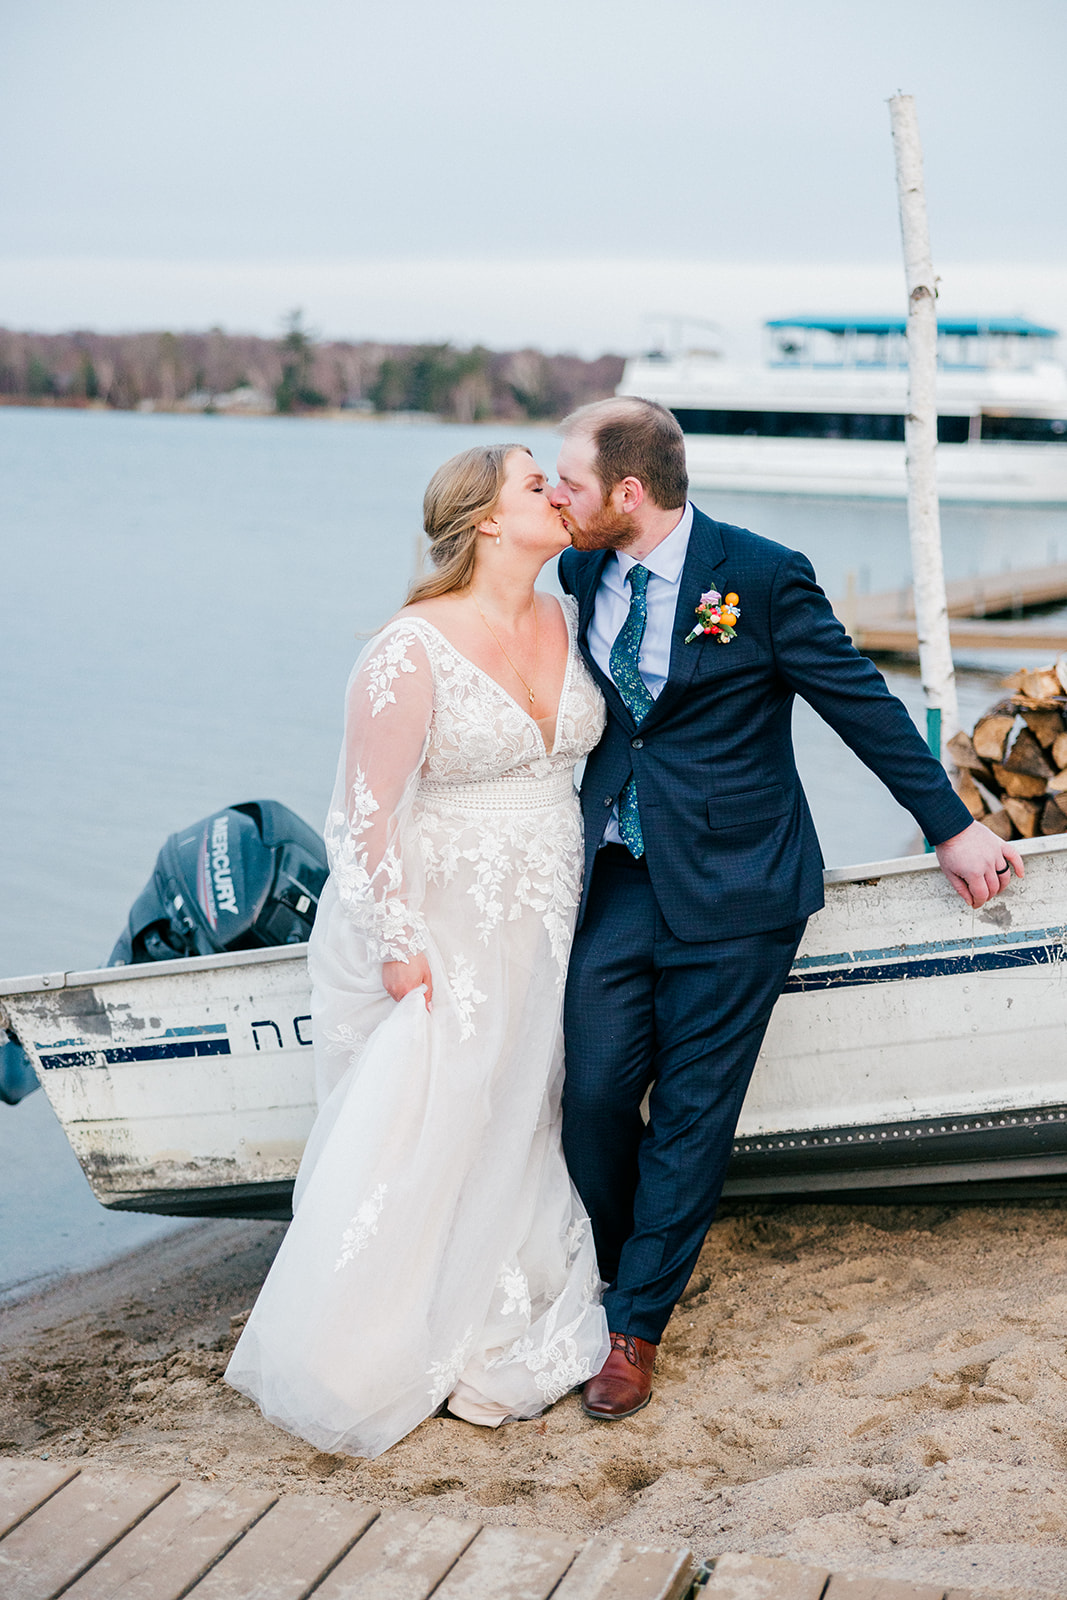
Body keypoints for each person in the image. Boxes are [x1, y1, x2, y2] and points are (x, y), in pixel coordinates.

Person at [550, 397, 1025, 1421]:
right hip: (620, 879)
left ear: (627, 493)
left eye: (570, 482)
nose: (556, 497)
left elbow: (858, 700)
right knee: (589, 1094)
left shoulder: (759, 575)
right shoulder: (580, 567)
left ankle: (633, 1325)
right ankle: (646, 1254)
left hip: (738, 886)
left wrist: (949, 824)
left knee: (689, 1111)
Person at [225, 443, 609, 1457]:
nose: (560, 495)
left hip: (549, 903)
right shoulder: (409, 646)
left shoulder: (569, 615)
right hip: (448, 915)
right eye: (538, 484)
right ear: (486, 519)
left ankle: (499, 1306)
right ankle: (372, 1340)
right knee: (441, 1106)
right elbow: (362, 816)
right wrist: (399, 946)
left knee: (526, 1102)